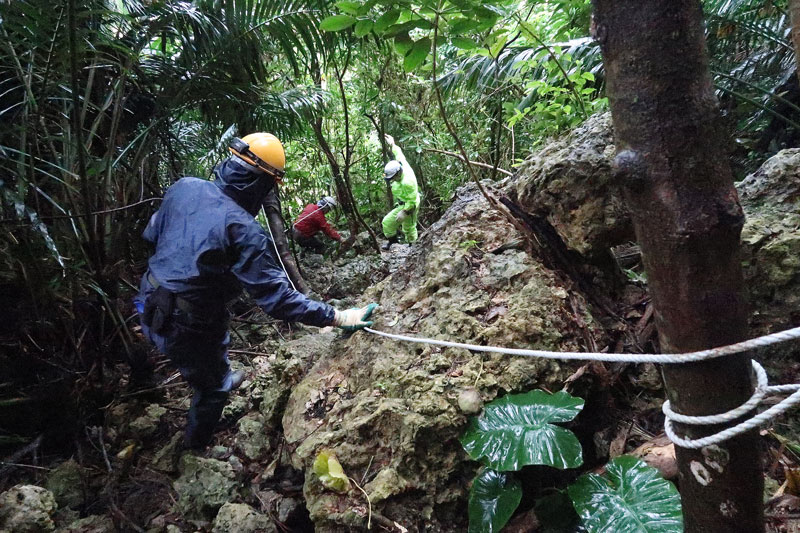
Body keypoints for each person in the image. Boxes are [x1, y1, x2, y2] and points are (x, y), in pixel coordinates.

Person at [134, 132, 377, 450]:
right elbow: (278, 300)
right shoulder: (244, 230)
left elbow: (152, 236)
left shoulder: (185, 187)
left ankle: (154, 382)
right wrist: (339, 316)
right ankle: (193, 450)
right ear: (262, 185)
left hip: (146, 300)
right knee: (213, 388)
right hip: (187, 326)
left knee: (194, 344)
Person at [381, 135, 420, 250]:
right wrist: (392, 144)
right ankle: (393, 243)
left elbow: (412, 201)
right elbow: (399, 154)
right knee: (387, 222)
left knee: (408, 227)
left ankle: (413, 247)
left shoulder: (407, 182)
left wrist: (405, 212)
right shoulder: (401, 163)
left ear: (398, 173)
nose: (392, 180)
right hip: (402, 203)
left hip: (410, 205)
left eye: (393, 178)